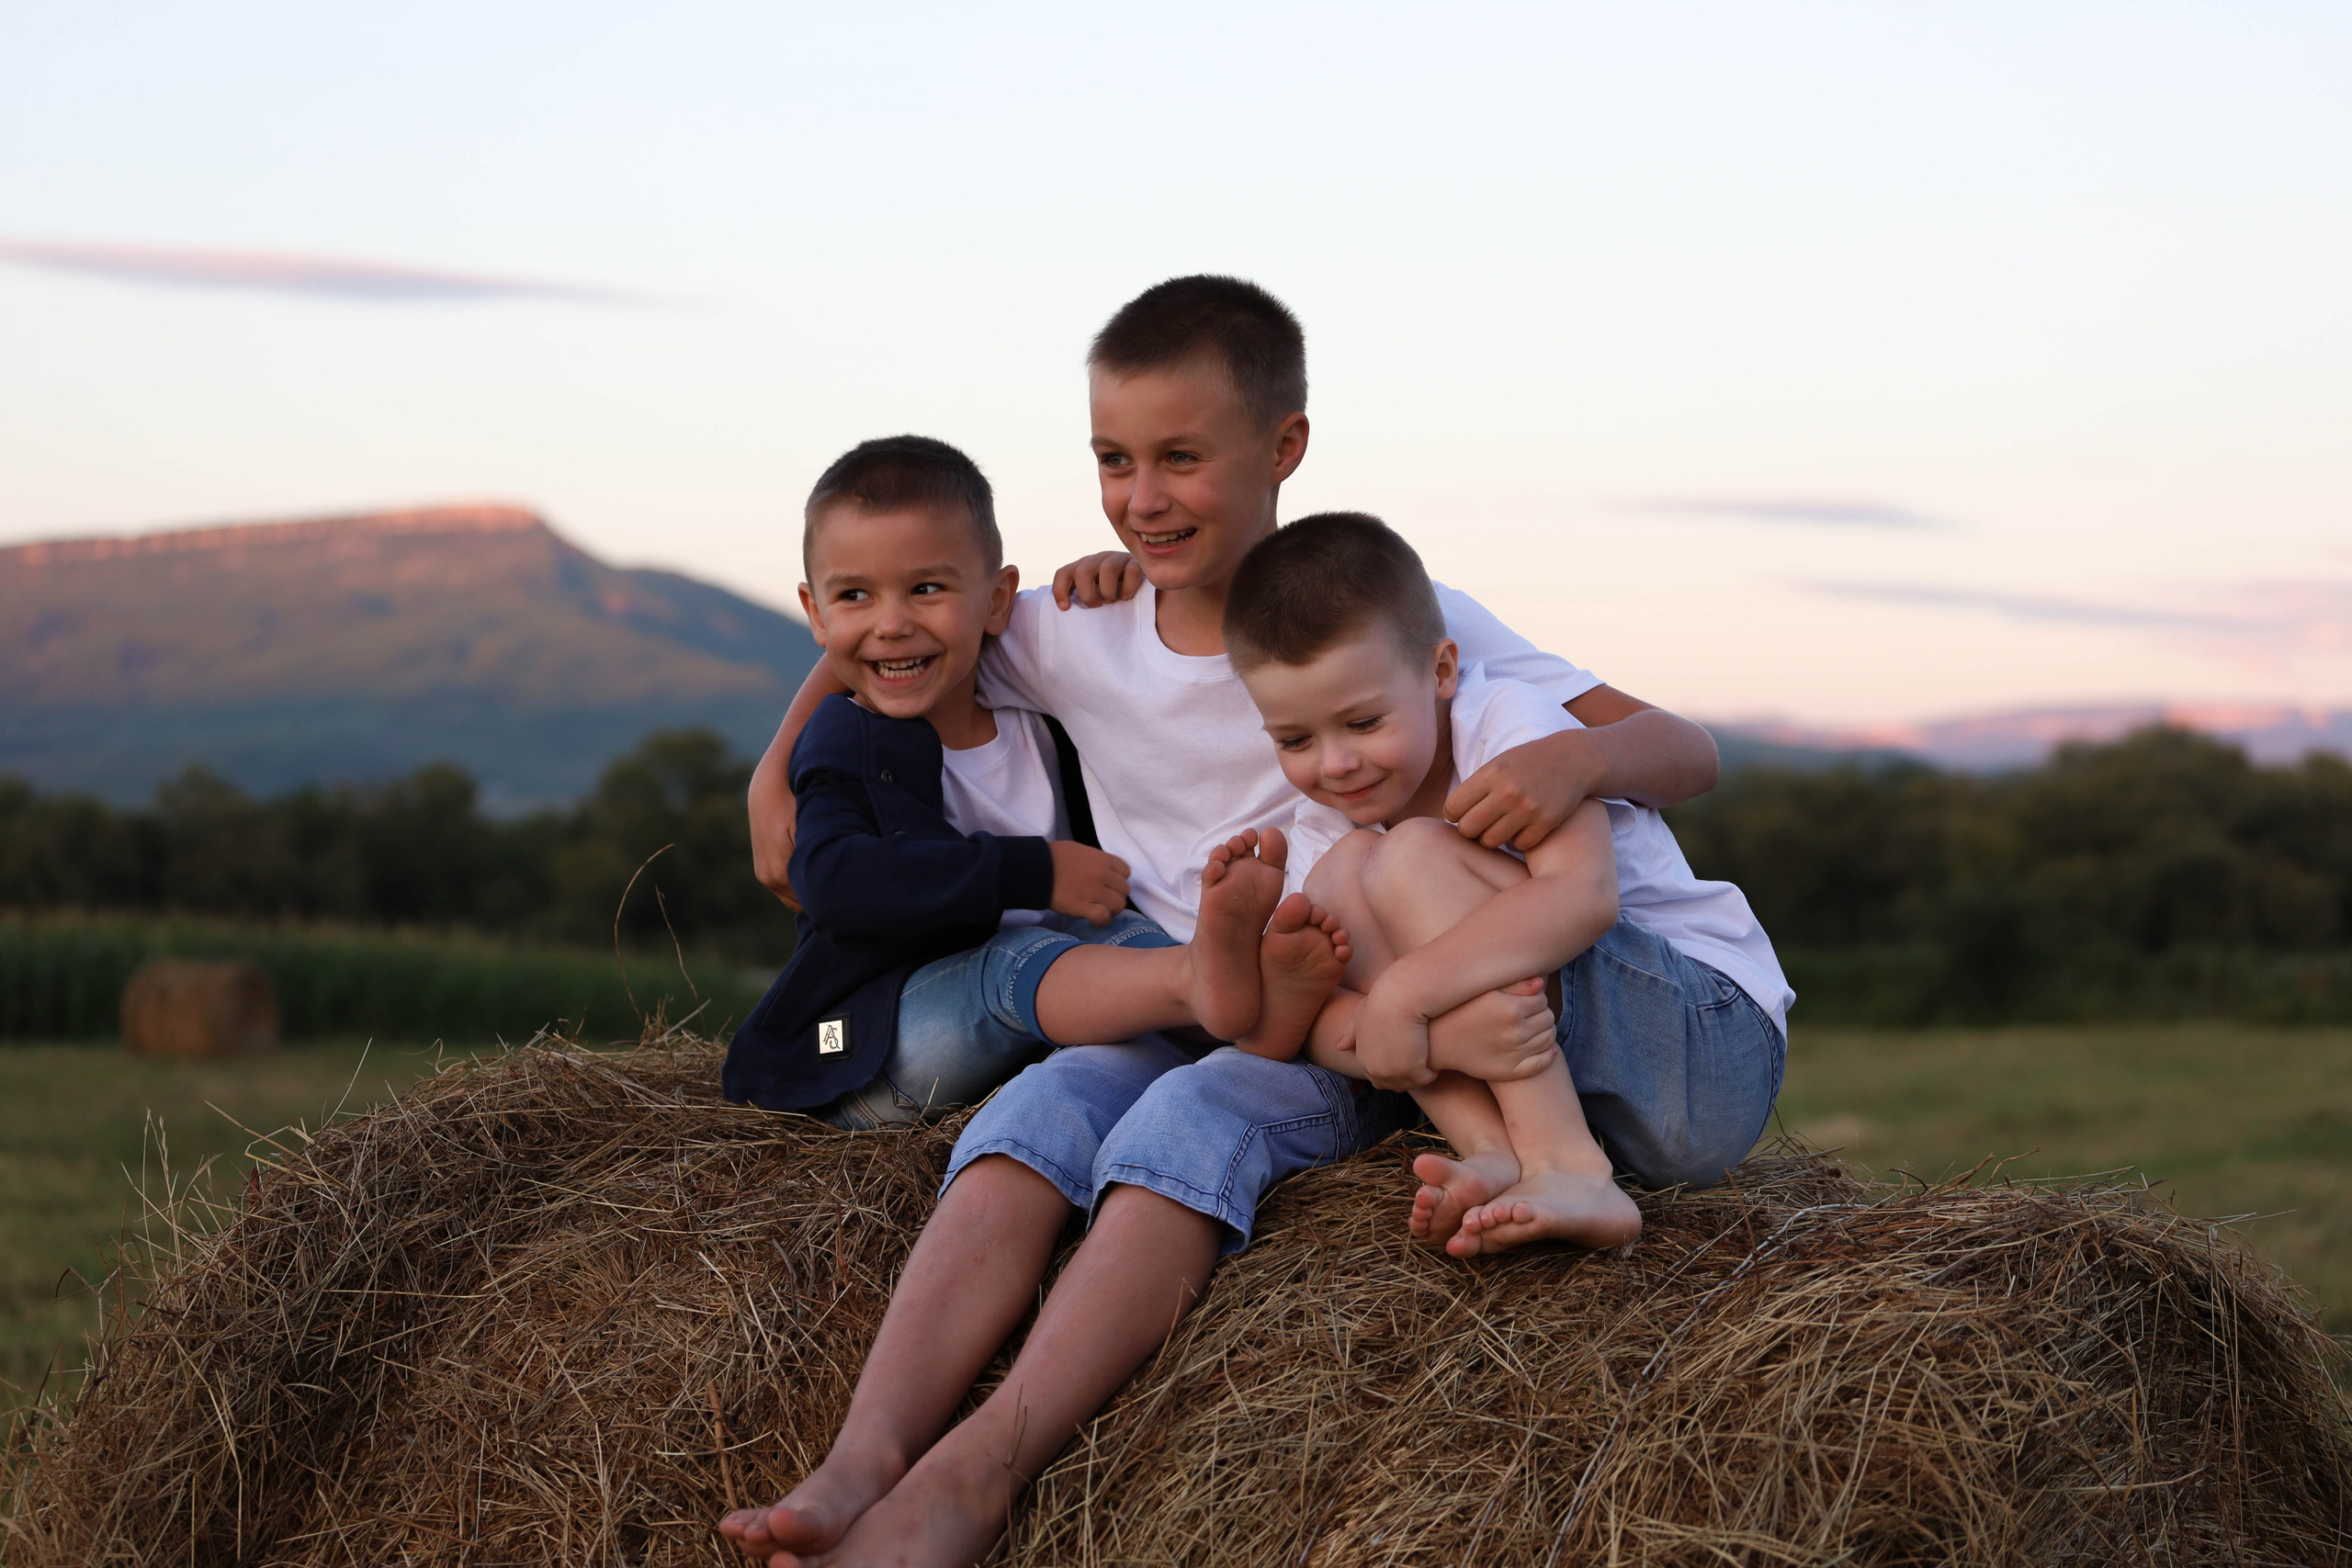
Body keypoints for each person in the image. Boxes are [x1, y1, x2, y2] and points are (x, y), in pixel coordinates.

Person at [720, 276, 1724, 1568]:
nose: (1142, 498)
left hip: (1336, 1009)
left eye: (1182, 458)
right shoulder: (1075, 627)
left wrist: (1581, 768)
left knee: (1184, 1122)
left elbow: (1681, 748)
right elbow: (898, 617)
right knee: (1038, 1108)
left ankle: (977, 1471)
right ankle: (862, 1457)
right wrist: (778, 763)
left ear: (1284, 449)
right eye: (1114, 461)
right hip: (1179, 982)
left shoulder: (1394, 611)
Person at [721, 434, 1345, 1126]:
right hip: (859, 1050)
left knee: (1121, 930)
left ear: (997, 600)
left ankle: (1247, 1017)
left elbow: (1107, 666)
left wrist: (1125, 586)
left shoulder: (1038, 716)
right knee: (1013, 956)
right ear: (816, 612)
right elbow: (835, 881)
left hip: (1029, 1028)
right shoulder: (847, 737)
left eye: (926, 588)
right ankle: (1200, 985)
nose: (892, 624)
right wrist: (1030, 871)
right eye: (854, 595)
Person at [1224, 511, 1793, 1259]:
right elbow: (1312, 1016)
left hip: (1707, 1042)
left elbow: (1582, 896)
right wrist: (1425, 1036)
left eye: (1363, 722)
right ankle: (1495, 1151)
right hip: (1597, 1082)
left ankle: (1570, 1168)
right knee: (1341, 876)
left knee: (1410, 857)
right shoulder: (1327, 827)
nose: (1335, 765)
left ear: (1440, 671)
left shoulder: (1506, 722)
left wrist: (1407, 998)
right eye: (1296, 740)